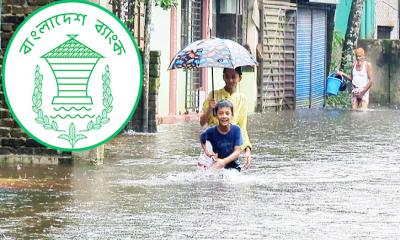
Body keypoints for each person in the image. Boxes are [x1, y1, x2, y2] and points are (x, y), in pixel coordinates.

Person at [200, 67, 252, 170]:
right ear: (223, 77)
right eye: (227, 77)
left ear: (240, 78)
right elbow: (202, 123)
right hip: (213, 142)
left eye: (233, 77)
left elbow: (242, 127)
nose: (230, 80)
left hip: (230, 143)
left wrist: (247, 150)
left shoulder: (243, 99)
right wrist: (210, 109)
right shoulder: (213, 95)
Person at [200, 99, 243, 171]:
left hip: (234, 166)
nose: (224, 116)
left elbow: (237, 152)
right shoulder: (211, 131)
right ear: (216, 115)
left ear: (232, 115)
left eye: (227, 113)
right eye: (220, 113)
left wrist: (223, 162)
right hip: (217, 164)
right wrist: (207, 152)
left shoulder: (236, 130)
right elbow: (202, 138)